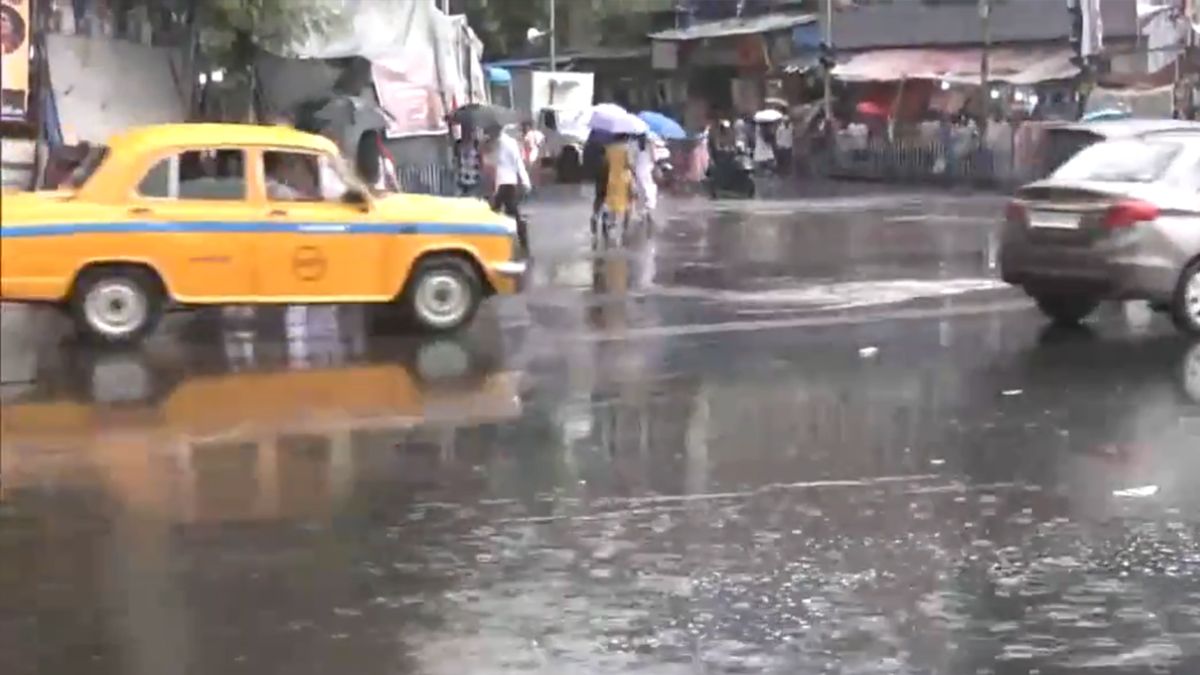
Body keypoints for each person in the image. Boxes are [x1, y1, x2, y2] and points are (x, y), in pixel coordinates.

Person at [488, 123, 531, 253]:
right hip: (504, 182)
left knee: (500, 211)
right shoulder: (496, 144)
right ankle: (518, 239)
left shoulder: (505, 143)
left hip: (504, 182)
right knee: (508, 212)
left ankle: (517, 240)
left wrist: (525, 180)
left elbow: (517, 162)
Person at [632, 134, 658, 227]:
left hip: (638, 170)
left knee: (640, 192)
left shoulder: (634, 145)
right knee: (650, 190)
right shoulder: (650, 145)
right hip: (647, 171)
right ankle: (648, 211)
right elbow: (654, 159)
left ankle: (641, 214)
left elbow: (632, 160)